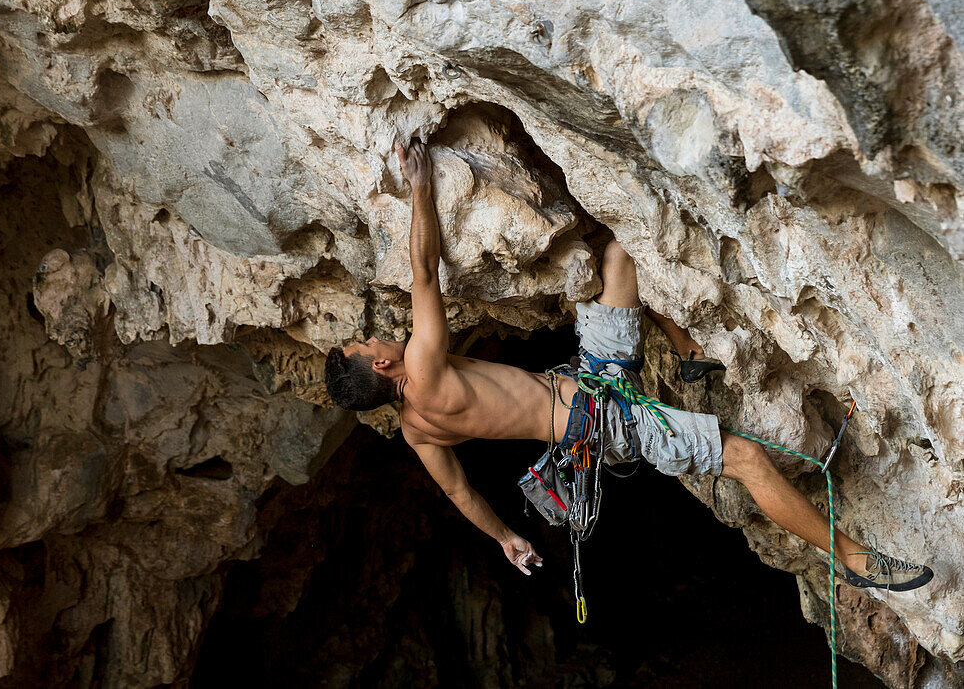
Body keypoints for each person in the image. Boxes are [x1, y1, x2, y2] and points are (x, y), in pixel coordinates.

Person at [324, 137, 932, 592]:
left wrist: (508, 539)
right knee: (744, 458)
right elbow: (424, 272)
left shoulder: (415, 429)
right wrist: (421, 186)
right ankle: (853, 560)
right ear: (379, 368)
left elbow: (460, 492)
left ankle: (689, 354)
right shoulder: (423, 368)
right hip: (605, 423)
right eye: (365, 342)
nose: (375, 335)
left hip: (590, 379)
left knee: (617, 257)